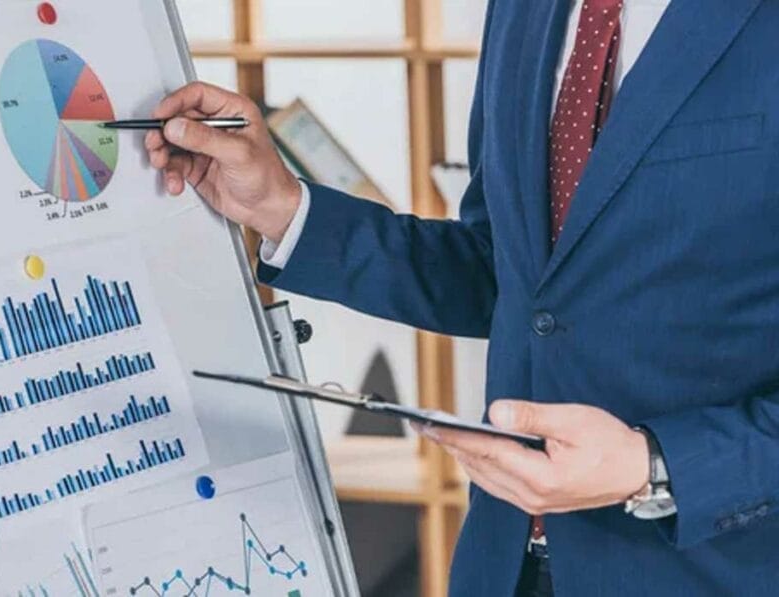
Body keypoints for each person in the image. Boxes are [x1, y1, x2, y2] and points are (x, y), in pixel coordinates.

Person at [145, 1, 779, 595]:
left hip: (713, 569)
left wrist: (656, 465)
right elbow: (508, 276)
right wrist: (282, 207)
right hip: (502, 563)